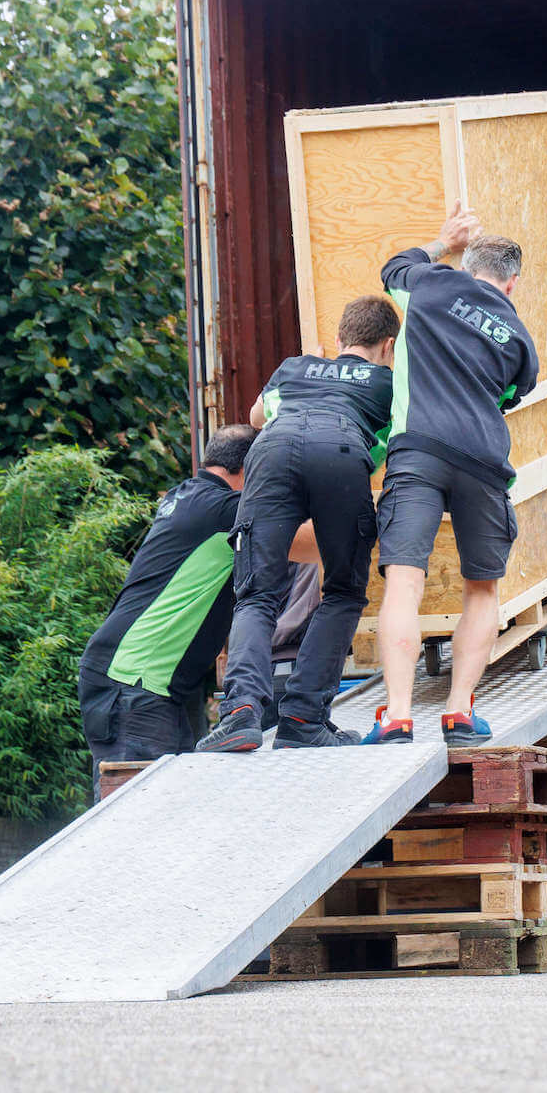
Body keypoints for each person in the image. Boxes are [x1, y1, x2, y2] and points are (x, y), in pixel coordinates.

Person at [367, 204, 539, 747]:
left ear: (469, 266)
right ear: (511, 285)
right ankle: (459, 713)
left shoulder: (431, 283)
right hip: (484, 461)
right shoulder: (519, 337)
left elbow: (392, 266)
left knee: (404, 580)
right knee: (482, 589)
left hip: (418, 450)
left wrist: (443, 242)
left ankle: (396, 715)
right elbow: (510, 395)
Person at [200, 296, 402, 752]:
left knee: (256, 593)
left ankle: (239, 713)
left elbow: (255, 419)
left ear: (338, 339)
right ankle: (302, 719)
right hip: (341, 452)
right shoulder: (389, 383)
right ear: (388, 346)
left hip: (271, 453)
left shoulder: (294, 368)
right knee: (344, 591)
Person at [79, 424, 310, 795]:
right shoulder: (220, 510)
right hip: (135, 683)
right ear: (249, 471)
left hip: (141, 680)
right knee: (137, 810)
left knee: (172, 804)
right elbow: (306, 545)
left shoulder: (188, 496)